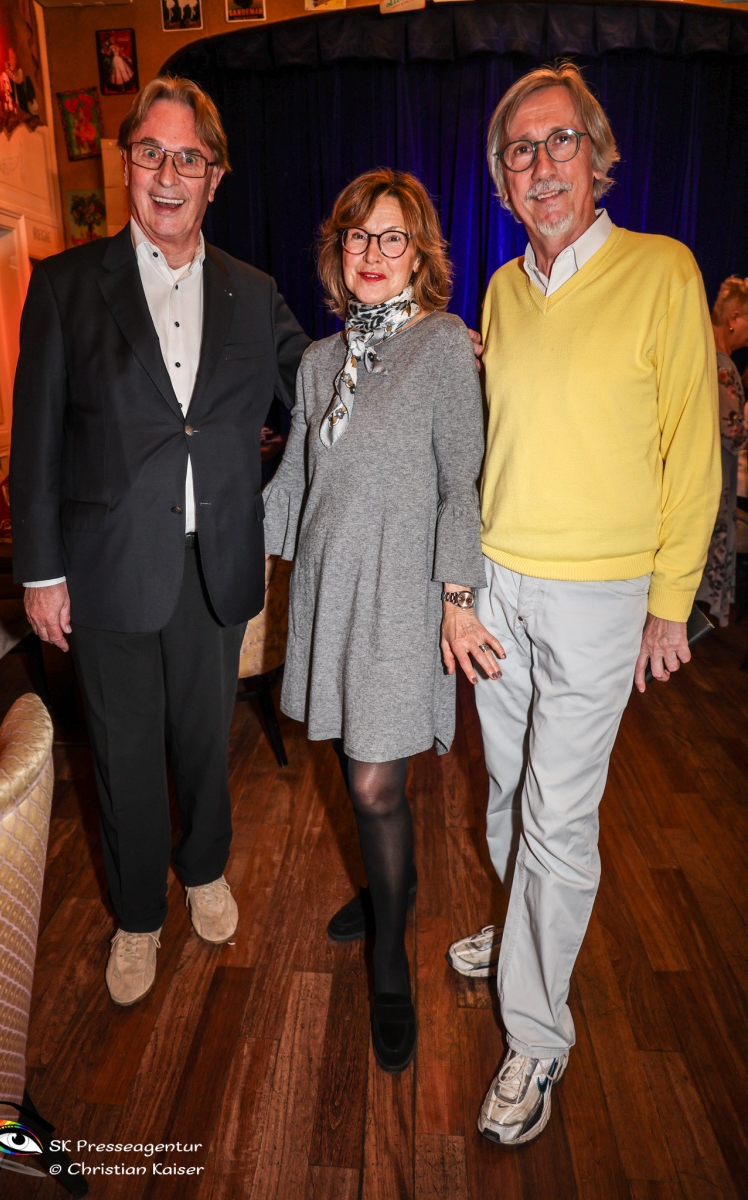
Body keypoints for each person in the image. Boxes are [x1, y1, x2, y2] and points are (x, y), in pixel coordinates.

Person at [444, 62, 720, 1145]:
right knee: (506, 793)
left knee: (557, 817)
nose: (541, 164)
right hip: (498, 584)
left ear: (596, 158)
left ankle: (535, 1034)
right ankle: (524, 934)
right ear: (503, 180)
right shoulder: (501, 291)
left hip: (602, 595)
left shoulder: (662, 270)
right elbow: (494, 443)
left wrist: (670, 602)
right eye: (520, 150)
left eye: (559, 141)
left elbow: (691, 449)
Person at [9, 76, 309, 1007]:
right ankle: (138, 915)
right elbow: (36, 441)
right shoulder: (65, 286)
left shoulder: (256, 293)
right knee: (123, 753)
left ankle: (204, 869)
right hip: (105, 574)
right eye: (152, 153)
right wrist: (40, 572)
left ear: (216, 176)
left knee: (205, 743)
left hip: (215, 566)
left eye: (189, 158)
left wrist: (411, 348)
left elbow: (320, 384)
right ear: (127, 163)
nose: (168, 174)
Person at [263, 169, 495, 1072]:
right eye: (359, 236)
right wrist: (222, 550)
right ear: (338, 250)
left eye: (392, 237)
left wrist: (457, 601)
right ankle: (386, 886)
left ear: (419, 254)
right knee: (349, 762)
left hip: (401, 596)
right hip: (327, 593)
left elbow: (460, 485)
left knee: (373, 788)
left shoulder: (442, 346)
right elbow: (296, 482)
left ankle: (390, 965)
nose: (372, 253)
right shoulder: (318, 361)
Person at [696, 276, 748, 624]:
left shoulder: (703, 358)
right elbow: (734, 433)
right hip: (714, 482)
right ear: (734, 318)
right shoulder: (722, 367)